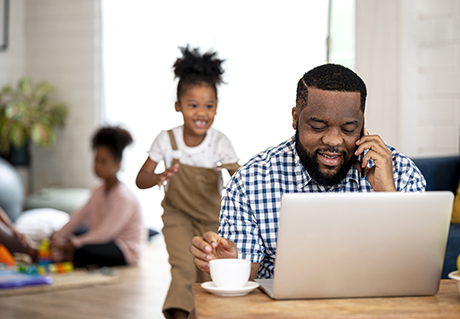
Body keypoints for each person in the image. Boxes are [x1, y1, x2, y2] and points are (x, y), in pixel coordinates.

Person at [190, 63, 426, 284]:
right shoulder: (250, 181)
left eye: (348, 129)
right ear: (295, 118)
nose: (333, 140)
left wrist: (388, 194)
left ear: (362, 124)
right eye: (318, 127)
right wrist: (231, 266)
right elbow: (245, 281)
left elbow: (417, 270)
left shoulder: (400, 172)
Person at [135, 46, 240, 319]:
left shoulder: (220, 143)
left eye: (209, 105)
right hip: (177, 217)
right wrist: (158, 177)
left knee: (208, 271)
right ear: (178, 106)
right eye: (193, 105)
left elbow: (240, 179)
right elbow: (140, 179)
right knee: (183, 268)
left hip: (211, 219)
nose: (201, 113)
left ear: (216, 107)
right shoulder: (166, 140)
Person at [51, 126, 145, 268]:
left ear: (117, 163)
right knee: (72, 237)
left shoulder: (124, 197)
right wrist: (57, 237)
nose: (98, 166)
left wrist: (75, 243)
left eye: (104, 161)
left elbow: (105, 233)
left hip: (122, 247)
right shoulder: (98, 189)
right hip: (104, 240)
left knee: (82, 251)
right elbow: (79, 216)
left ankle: (70, 257)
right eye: (96, 161)